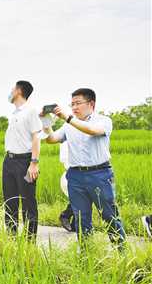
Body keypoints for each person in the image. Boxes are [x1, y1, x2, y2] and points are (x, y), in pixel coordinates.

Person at [44, 88, 126, 249]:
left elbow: (92, 130)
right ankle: (87, 254)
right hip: (75, 176)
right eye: (72, 104)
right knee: (81, 218)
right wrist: (46, 123)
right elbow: (51, 139)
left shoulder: (103, 121)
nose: (74, 107)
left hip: (100, 174)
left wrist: (68, 118)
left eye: (78, 103)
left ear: (91, 104)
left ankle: (121, 252)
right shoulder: (68, 125)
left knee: (109, 215)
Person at [3, 80, 41, 241]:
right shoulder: (14, 114)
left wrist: (34, 163)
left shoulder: (31, 111)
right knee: (9, 201)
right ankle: (11, 239)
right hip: (9, 161)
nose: (10, 92)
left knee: (28, 203)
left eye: (12, 88)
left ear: (18, 91)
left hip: (25, 162)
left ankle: (29, 242)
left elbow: (36, 137)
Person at [58, 141, 76, 232]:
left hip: (80, 173)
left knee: (83, 200)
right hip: (71, 174)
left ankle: (74, 224)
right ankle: (65, 216)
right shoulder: (66, 139)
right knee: (79, 200)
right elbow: (64, 160)